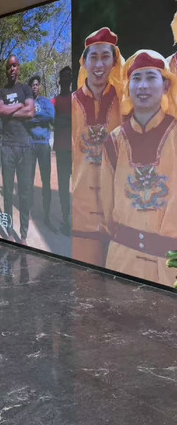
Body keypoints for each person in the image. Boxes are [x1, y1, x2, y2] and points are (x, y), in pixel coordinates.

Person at [100, 50, 177, 286]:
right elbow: (107, 205)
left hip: (169, 265)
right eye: (136, 78)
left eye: (151, 77)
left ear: (166, 85)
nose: (143, 86)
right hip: (121, 258)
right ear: (127, 86)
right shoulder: (114, 141)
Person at [72, 27, 123, 264]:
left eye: (105, 56)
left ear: (114, 62)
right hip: (80, 214)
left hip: (117, 214)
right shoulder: (71, 103)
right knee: (82, 277)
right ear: (84, 62)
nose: (99, 64)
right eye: (93, 57)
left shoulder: (126, 102)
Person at [0, 55, 35, 240]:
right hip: (7, 147)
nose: (12, 69)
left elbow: (31, 112)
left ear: (19, 68)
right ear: (6, 70)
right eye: (9, 66)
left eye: (14, 66)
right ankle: (9, 232)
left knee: (25, 193)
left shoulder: (25, 88)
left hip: (25, 147)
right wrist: (19, 106)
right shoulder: (1, 92)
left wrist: (9, 112)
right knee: (8, 193)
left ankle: (24, 235)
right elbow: (0, 111)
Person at [28, 75, 56, 229]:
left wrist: (35, 116)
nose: (34, 87)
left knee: (46, 180)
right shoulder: (27, 103)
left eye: (36, 84)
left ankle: (46, 214)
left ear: (39, 86)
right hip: (31, 145)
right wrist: (38, 118)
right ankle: (30, 212)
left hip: (44, 144)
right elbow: (26, 120)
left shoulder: (45, 102)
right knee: (29, 179)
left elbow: (51, 116)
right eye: (32, 85)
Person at [52, 67, 73, 232]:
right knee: (63, 187)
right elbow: (52, 120)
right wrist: (68, 119)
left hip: (77, 151)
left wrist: (62, 119)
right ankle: (66, 220)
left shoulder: (76, 99)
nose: (66, 79)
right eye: (63, 77)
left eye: (68, 76)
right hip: (61, 150)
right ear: (59, 81)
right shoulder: (55, 101)